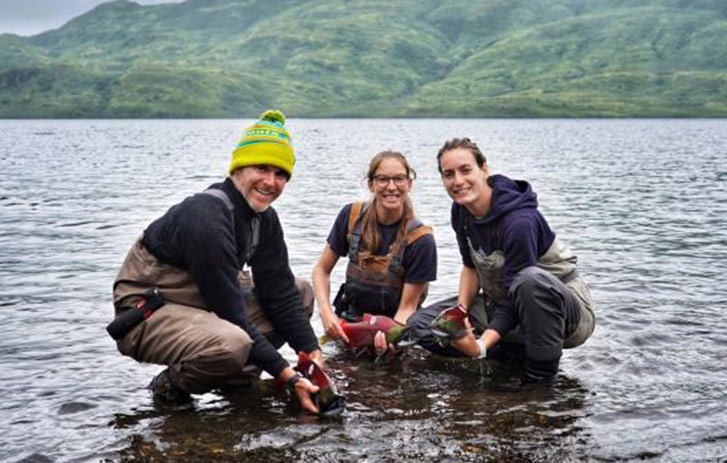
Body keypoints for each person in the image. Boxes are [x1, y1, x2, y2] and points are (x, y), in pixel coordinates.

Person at [110, 110, 323, 412]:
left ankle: (237, 378)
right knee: (232, 342)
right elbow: (232, 314)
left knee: (299, 292)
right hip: (146, 312)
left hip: (204, 303)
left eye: (281, 174)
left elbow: (280, 293)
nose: (270, 182)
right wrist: (288, 376)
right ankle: (171, 386)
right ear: (237, 169)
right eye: (261, 168)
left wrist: (311, 352)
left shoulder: (265, 219)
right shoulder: (207, 217)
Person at [409, 138, 595, 383]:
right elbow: (470, 266)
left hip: (565, 314)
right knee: (421, 325)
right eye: (448, 174)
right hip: (502, 305)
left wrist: (482, 344)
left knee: (530, 281)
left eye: (466, 170)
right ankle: (510, 358)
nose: (458, 181)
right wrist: (460, 314)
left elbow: (517, 293)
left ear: (484, 168)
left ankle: (541, 382)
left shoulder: (519, 222)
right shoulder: (460, 211)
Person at [312, 151, 437, 356]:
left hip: (394, 328)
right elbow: (321, 271)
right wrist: (325, 313)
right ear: (371, 184)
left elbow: (407, 308)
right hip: (349, 323)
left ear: (409, 184)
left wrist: (391, 338)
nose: (391, 186)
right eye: (382, 179)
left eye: (399, 179)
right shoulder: (350, 216)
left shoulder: (421, 240)